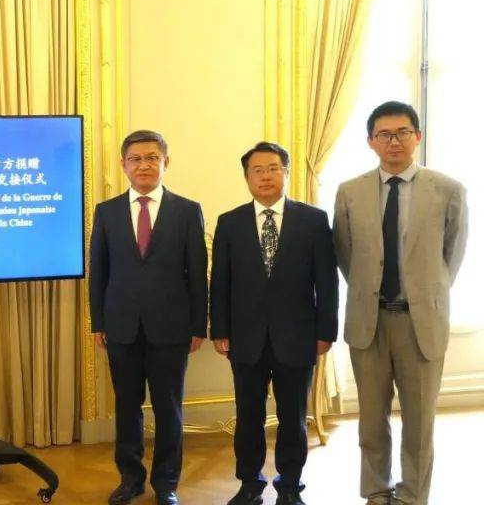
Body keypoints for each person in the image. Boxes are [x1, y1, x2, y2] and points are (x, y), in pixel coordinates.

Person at [333, 101, 467, 505]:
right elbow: (346, 255)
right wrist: (370, 291)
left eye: (403, 132)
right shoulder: (349, 192)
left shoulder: (448, 190)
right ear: (371, 141)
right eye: (385, 134)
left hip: (420, 322)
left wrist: (425, 294)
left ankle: (412, 495)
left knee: (419, 420)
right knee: (371, 420)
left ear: (417, 136)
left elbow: (451, 256)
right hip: (369, 321)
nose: (394, 141)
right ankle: (376, 490)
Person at [210, 142, 338, 505]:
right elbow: (220, 282)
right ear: (247, 177)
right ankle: (250, 483)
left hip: (298, 336)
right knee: (248, 415)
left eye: (273, 168)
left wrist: (326, 332)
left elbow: (327, 281)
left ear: (286, 172)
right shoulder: (230, 222)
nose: (265, 176)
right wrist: (219, 330)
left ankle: (290, 485)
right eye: (257, 170)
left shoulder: (313, 220)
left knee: (293, 417)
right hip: (245, 338)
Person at [89, 129, 208, 505]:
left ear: (165, 163)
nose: (144, 165)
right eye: (136, 159)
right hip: (121, 326)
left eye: (152, 158)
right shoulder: (106, 211)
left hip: (171, 328)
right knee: (127, 407)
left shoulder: (187, 211)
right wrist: (98, 322)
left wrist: (198, 326)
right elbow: (99, 271)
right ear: (124, 165)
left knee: (169, 408)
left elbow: (197, 273)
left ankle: (167, 483)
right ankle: (131, 478)